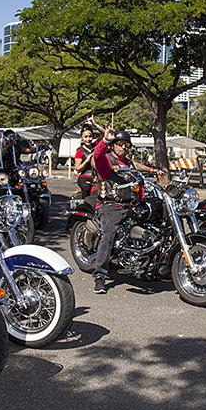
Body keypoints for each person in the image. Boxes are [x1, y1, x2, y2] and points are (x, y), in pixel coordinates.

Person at [91, 126, 162, 294]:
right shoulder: (106, 161)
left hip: (130, 205)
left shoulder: (129, 163)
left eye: (126, 145)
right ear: (114, 145)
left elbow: (138, 182)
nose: (123, 147)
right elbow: (97, 156)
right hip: (110, 205)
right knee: (108, 235)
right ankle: (100, 275)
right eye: (120, 144)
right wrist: (105, 140)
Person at [74, 120, 103, 199]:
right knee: (87, 187)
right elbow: (78, 169)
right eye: (85, 137)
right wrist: (86, 161)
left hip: (97, 177)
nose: (88, 139)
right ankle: (85, 206)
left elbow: (104, 134)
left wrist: (95, 124)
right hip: (85, 177)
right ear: (82, 138)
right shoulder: (80, 151)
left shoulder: (96, 146)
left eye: (90, 136)